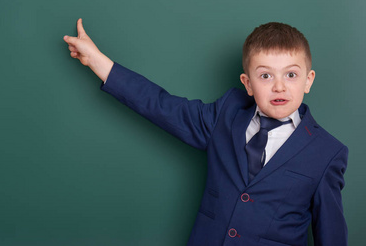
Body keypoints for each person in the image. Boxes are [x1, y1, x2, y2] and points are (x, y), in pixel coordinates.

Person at [64, 19, 348, 246]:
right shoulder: (225, 115)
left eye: (291, 74)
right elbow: (160, 106)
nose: (279, 86)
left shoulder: (327, 153)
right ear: (247, 84)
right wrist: (97, 60)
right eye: (265, 75)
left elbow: (331, 234)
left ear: (308, 80)